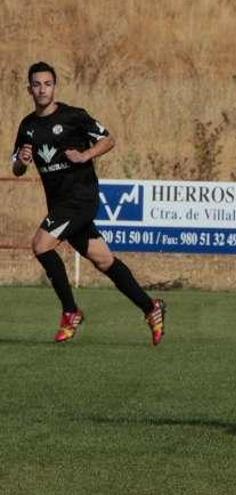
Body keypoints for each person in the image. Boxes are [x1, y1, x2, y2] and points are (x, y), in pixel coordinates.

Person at [10, 61, 166, 345]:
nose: (42, 89)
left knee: (41, 244)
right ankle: (150, 307)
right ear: (29, 89)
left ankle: (70, 311)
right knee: (103, 259)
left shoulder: (73, 116)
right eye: (36, 84)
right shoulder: (28, 126)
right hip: (59, 205)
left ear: (54, 86)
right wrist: (20, 162)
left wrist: (85, 155)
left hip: (81, 199)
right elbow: (16, 166)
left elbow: (108, 139)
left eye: (47, 83)